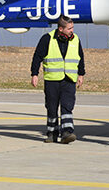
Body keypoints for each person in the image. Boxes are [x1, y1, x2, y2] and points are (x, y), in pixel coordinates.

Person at [31, 15, 85, 144]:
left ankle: (67, 132)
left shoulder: (75, 39)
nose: (72, 30)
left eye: (72, 28)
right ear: (61, 29)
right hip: (52, 80)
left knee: (67, 106)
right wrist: (34, 74)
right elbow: (37, 57)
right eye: (69, 28)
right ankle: (52, 134)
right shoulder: (47, 39)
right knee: (52, 107)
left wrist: (81, 74)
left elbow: (80, 57)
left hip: (69, 79)